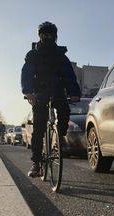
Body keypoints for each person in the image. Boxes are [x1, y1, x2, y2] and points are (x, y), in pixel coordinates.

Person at [21, 21, 81, 177]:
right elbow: (26, 73)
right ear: (40, 36)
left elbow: (69, 76)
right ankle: (36, 163)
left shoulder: (61, 56)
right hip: (40, 93)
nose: (47, 37)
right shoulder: (33, 55)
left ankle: (58, 137)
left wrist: (74, 92)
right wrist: (28, 91)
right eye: (44, 34)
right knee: (38, 128)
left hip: (57, 91)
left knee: (65, 111)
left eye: (50, 35)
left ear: (55, 37)